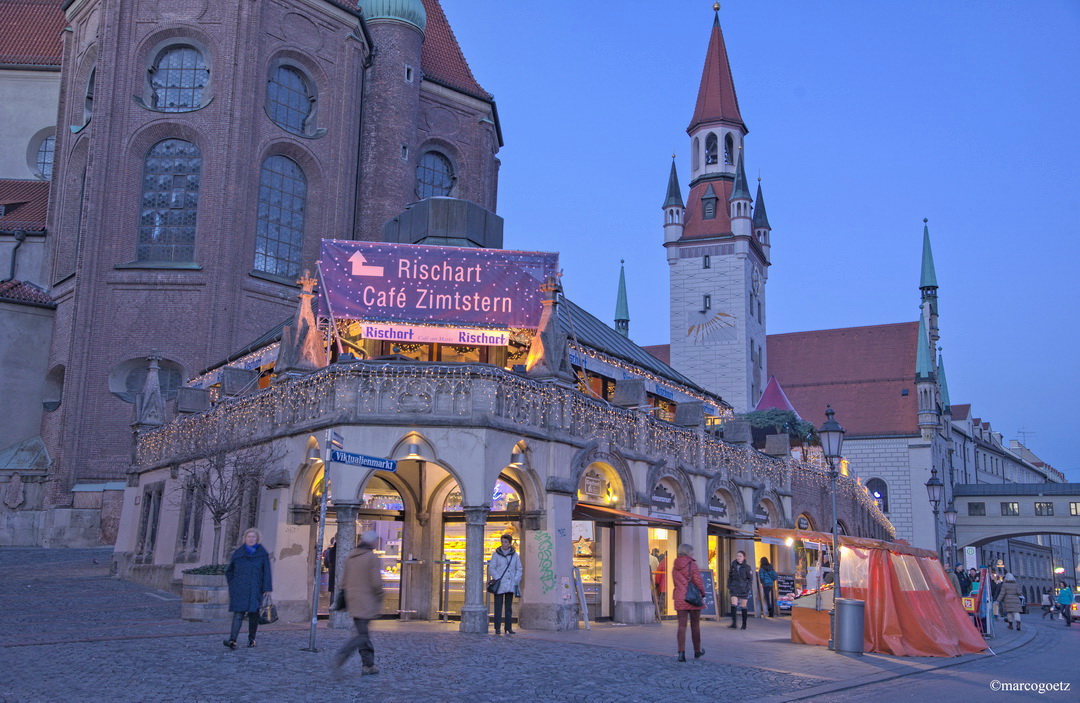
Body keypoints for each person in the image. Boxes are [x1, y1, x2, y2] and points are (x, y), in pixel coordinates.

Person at [332, 530, 385, 676]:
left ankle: (368, 665)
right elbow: (376, 582)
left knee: (363, 632)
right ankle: (342, 655)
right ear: (372, 542)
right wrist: (380, 595)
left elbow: (344, 579)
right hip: (366, 600)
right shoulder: (371, 557)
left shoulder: (351, 555)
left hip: (353, 599)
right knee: (362, 635)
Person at [224, 528, 272, 649]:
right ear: (245, 538)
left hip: (256, 588)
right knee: (238, 614)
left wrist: (267, 587)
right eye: (249, 537)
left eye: (253, 537)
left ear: (257, 539)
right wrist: (233, 584)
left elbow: (267, 572)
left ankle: (252, 639)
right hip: (240, 588)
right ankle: (232, 640)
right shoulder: (238, 553)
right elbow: (230, 571)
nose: (251, 539)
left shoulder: (262, 554)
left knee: (253, 615)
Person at [672, 544, 706, 662]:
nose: (693, 554)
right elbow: (698, 581)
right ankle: (697, 651)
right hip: (692, 598)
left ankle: (681, 652)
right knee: (695, 625)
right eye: (692, 552)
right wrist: (702, 593)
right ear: (688, 552)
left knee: (681, 626)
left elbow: (675, 582)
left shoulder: (675, 566)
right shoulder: (692, 564)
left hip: (680, 597)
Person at [488, 533, 523, 635]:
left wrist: (516, 579)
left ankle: (508, 627)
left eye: (505, 542)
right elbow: (492, 567)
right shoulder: (496, 555)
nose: (503, 544)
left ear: (509, 543)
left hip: (510, 583)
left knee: (508, 607)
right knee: (498, 607)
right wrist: (497, 577)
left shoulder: (515, 555)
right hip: (499, 584)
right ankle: (497, 628)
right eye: (502, 541)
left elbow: (519, 568)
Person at [727, 550, 753, 630]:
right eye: (737, 556)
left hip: (743, 588)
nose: (738, 557)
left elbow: (750, 579)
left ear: (744, 557)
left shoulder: (747, 567)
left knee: (743, 606)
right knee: (733, 604)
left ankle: (744, 624)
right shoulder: (733, 566)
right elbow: (730, 576)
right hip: (734, 587)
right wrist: (730, 585)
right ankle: (734, 623)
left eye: (740, 556)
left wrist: (747, 588)